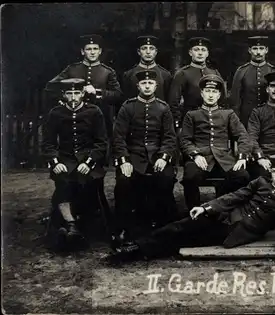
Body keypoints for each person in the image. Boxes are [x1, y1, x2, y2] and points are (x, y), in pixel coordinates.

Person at [107, 155, 275, 263]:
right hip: (223, 216)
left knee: (185, 236)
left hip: (235, 232)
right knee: (180, 225)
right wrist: (207, 207)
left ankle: (136, 249)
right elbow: (234, 196)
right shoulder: (261, 182)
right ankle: (135, 247)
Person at [42, 78, 108, 250]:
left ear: (83, 94)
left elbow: (101, 143)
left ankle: (86, 224)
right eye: (69, 93)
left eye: (77, 93)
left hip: (88, 158)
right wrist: (55, 162)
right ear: (63, 95)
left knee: (86, 180)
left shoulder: (94, 112)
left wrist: (89, 161)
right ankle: (71, 224)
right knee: (62, 180)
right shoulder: (56, 113)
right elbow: (48, 143)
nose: (73, 97)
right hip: (65, 158)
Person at [113, 70, 178, 242]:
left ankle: (164, 226)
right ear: (138, 86)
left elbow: (170, 137)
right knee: (124, 182)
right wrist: (124, 161)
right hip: (134, 155)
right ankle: (124, 227)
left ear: (156, 86)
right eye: (144, 83)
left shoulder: (164, 108)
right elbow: (119, 137)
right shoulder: (128, 107)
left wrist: (164, 157)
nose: (147, 86)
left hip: (157, 155)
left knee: (166, 179)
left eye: (150, 84)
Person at [180, 74, 251, 209]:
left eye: (214, 92)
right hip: (201, 158)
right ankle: (193, 212)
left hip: (224, 159)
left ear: (219, 95)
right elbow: (185, 139)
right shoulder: (192, 115)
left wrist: (242, 157)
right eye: (207, 91)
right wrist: (195, 155)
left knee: (242, 175)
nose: (210, 95)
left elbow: (243, 136)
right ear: (202, 93)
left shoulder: (228, 114)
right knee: (190, 177)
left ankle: (224, 208)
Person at [45, 34, 122, 140]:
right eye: (88, 49)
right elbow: (50, 87)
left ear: (100, 51)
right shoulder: (72, 69)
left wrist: (97, 92)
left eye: (95, 49)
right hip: (74, 118)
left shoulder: (108, 72)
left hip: (100, 119)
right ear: (82, 52)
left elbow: (117, 95)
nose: (92, 52)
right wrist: (64, 100)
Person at [169, 37, 222, 131]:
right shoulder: (183, 73)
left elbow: (222, 100)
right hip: (190, 121)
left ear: (207, 53)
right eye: (196, 50)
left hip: (212, 121)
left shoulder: (214, 73)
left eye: (203, 50)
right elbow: (174, 102)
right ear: (190, 52)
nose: (200, 53)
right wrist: (178, 124)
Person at [230, 36, 275, 127]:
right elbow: (235, 101)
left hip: (268, 118)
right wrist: (236, 123)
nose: (258, 52)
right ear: (249, 50)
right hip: (247, 119)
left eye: (261, 48)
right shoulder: (242, 71)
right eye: (255, 48)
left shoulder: (272, 71)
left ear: (266, 50)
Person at [121, 35, 172, 102]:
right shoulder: (129, 75)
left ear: (156, 52)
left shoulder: (165, 75)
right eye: (144, 48)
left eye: (151, 48)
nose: (148, 52)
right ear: (139, 52)